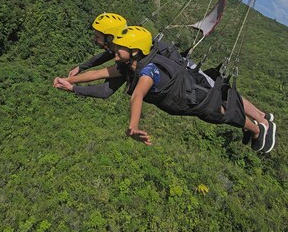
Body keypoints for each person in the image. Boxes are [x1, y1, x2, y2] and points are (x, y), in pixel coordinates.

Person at [54, 26, 276, 154]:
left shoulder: (148, 72)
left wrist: (132, 127)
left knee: (220, 110)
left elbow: (138, 95)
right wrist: (70, 83)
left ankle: (259, 128)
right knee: (222, 102)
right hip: (184, 95)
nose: (113, 51)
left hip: (192, 95)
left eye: (118, 48)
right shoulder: (128, 65)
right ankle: (258, 123)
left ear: (133, 51)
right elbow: (99, 74)